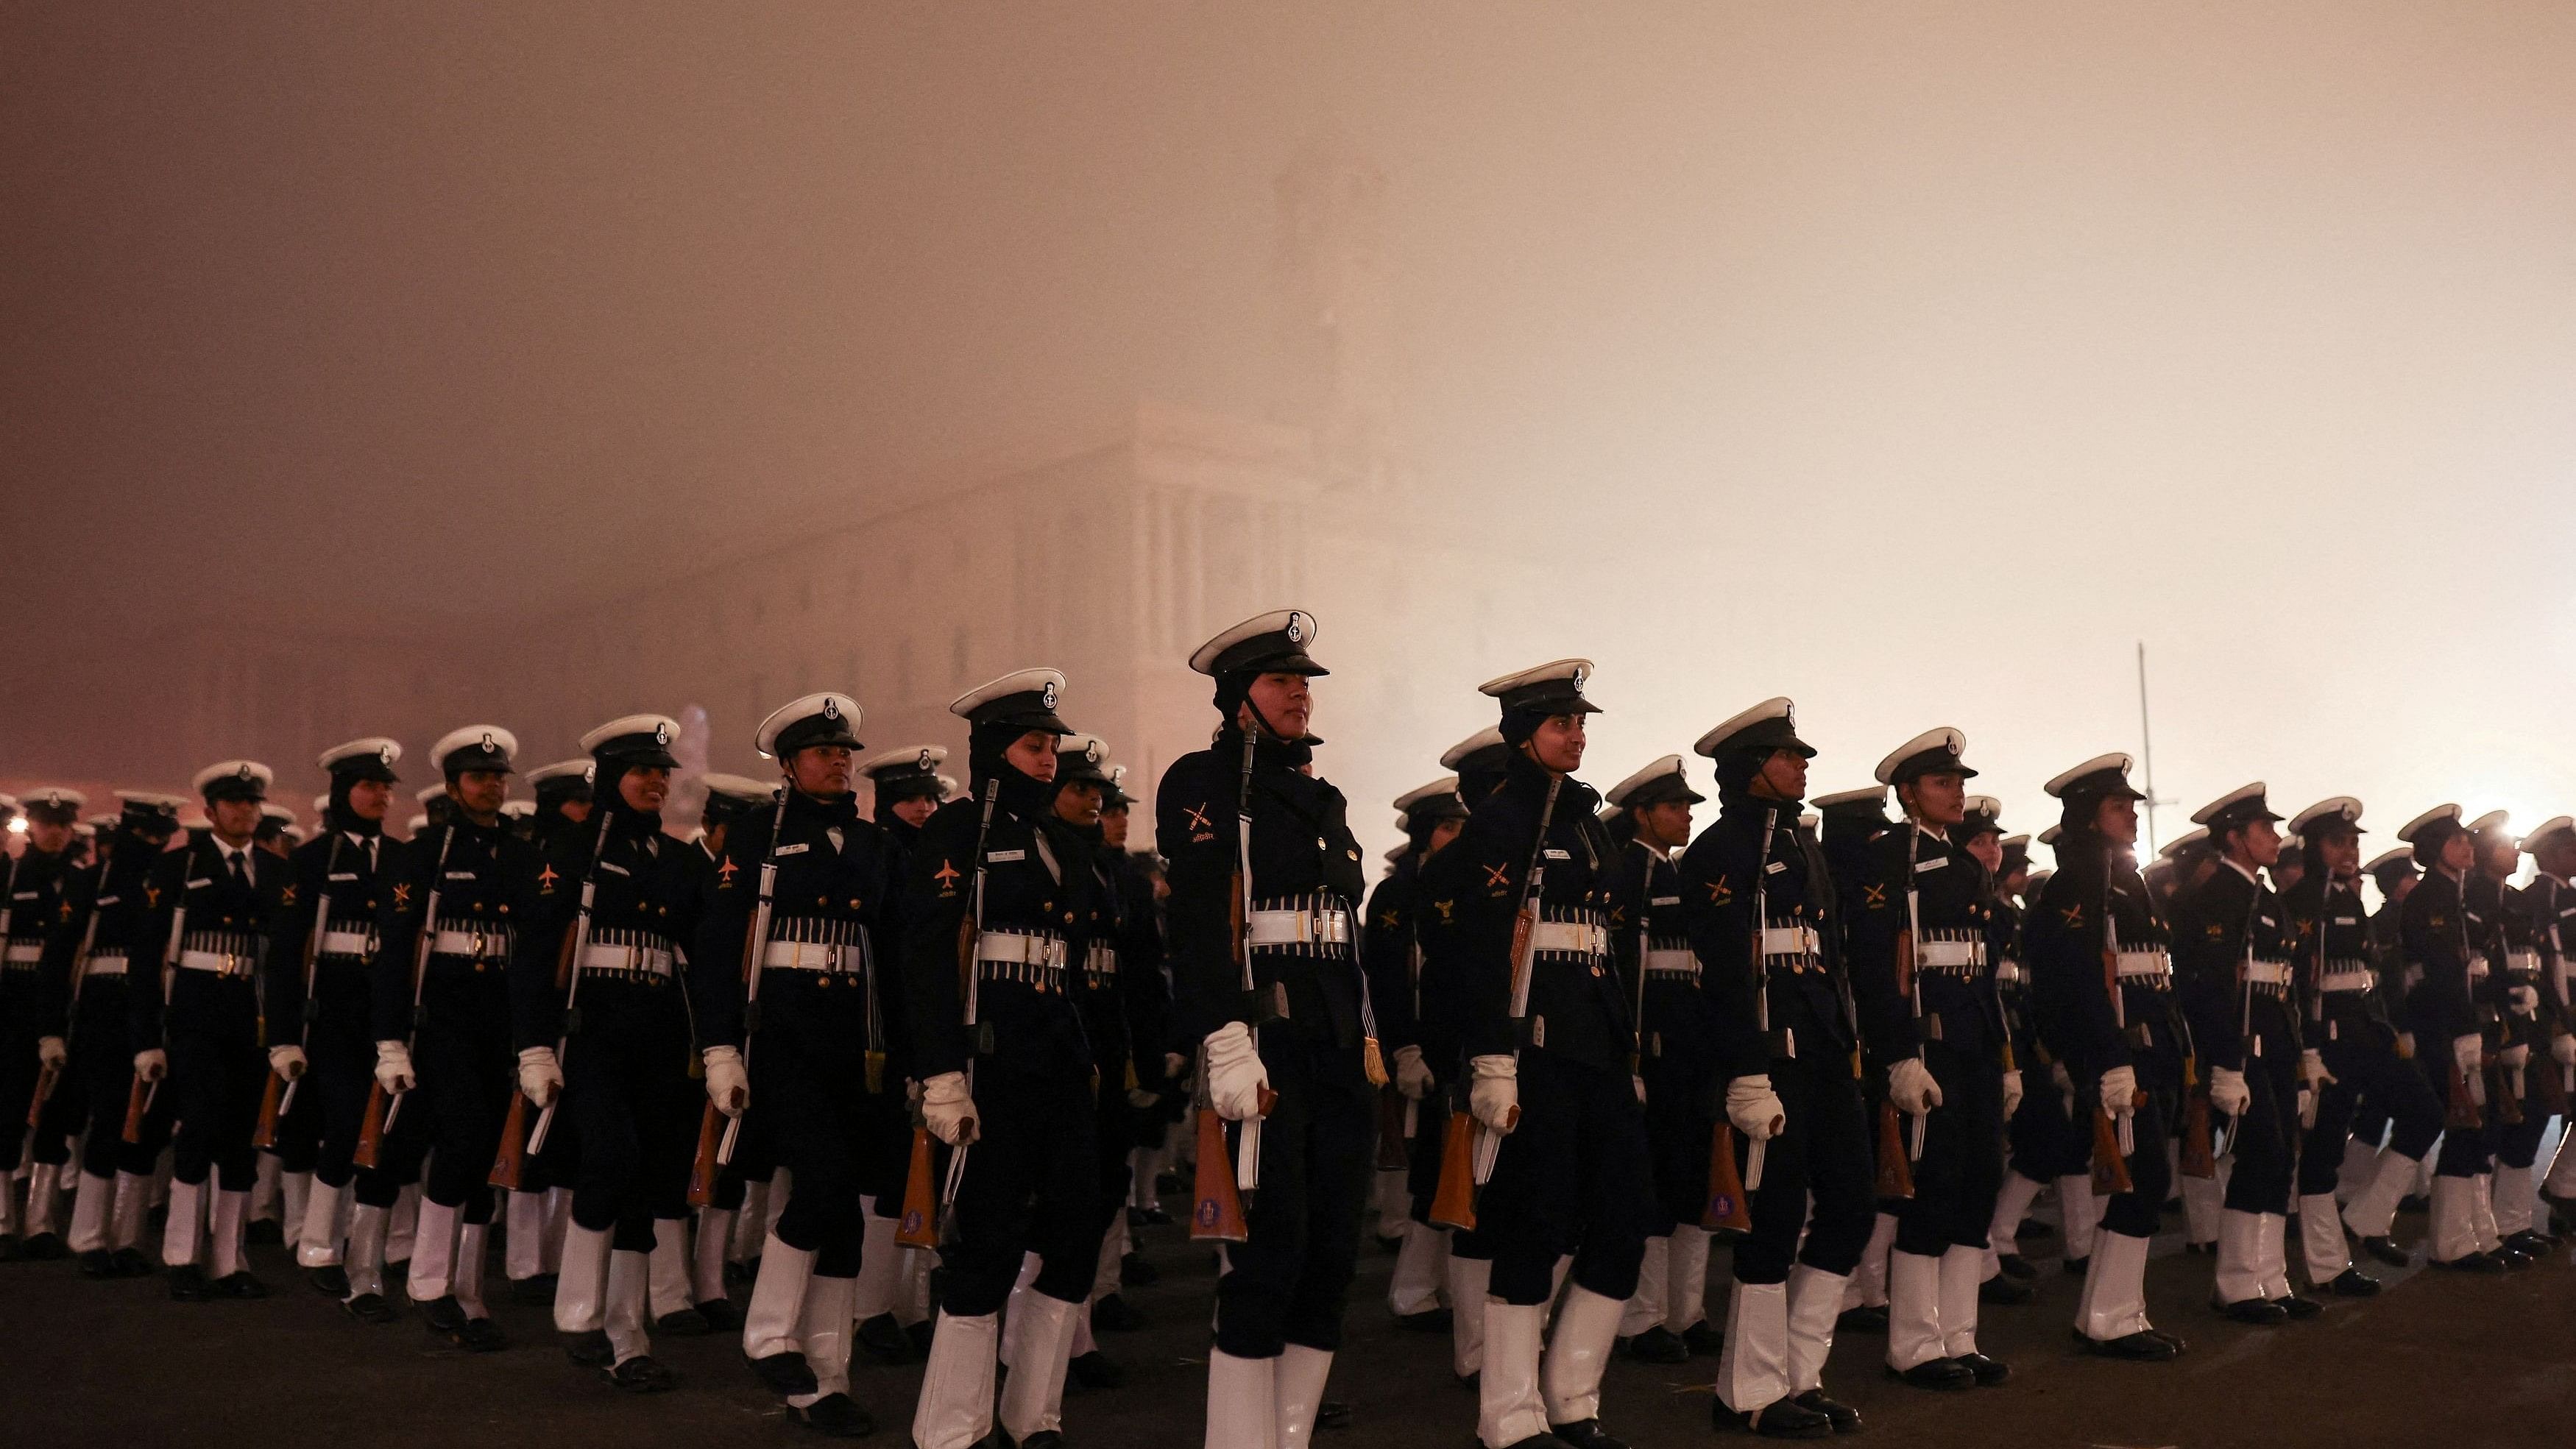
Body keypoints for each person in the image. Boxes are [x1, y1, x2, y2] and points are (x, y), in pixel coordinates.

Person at [1157, 614, 1383, 1449]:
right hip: (1266, 1041)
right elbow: (1197, 921)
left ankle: (1287, 1435)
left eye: (1305, 682)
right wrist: (1221, 1035)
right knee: (1267, 1258)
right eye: (1282, 680)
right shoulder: (1205, 782)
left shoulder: (1322, 798)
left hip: (1334, 1042)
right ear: (1237, 699)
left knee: (1329, 1259)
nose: (1299, 692)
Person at [1435, 659, 1647, 1449]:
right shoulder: (1503, 817)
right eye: (1561, 724)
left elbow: (1605, 942)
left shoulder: (1583, 818)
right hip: (1536, 1050)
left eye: (1580, 723)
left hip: (1594, 1042)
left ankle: (1572, 1401)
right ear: (1523, 733)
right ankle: (1509, 1416)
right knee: (1535, 1225)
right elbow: (1483, 948)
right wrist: (1490, 1056)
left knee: (1624, 1217)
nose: (1577, 735)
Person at [687, 692, 891, 1436]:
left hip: (854, 1038)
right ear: (789, 763)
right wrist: (717, 1048)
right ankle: (768, 1332)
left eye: (844, 753)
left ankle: (824, 1378)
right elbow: (716, 947)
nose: (839, 763)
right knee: (824, 1180)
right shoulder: (758, 832)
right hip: (785, 1034)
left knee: (842, 1212)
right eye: (824, 753)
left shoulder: (870, 842)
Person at [901, 668, 1096, 1449]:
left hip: (1056, 1057)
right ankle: (950, 1429)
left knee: (1074, 1235)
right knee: (985, 1245)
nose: (1049, 758)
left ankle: (1032, 1416)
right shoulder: (958, 831)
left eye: (1052, 744)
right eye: (1032, 744)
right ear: (991, 750)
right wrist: (940, 1073)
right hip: (991, 1062)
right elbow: (924, 955)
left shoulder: (1059, 834)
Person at [1687, 700, 1874, 1437]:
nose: (1802, 766)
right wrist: (1743, 1069)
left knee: (1851, 1209)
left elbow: (1824, 957)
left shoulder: (1799, 847)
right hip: (1768, 1059)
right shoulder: (1718, 853)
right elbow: (1727, 972)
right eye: (1788, 756)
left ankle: (1799, 1374)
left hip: (1822, 1051)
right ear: (1749, 767)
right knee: (1771, 1224)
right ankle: (1748, 1392)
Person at [512, 713, 704, 1390]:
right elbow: (536, 951)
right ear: (610, 779)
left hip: (656, 1031)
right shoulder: (572, 850)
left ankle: (629, 1337)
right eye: (642, 771)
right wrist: (533, 1045)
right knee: (609, 1155)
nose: (656, 782)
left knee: (649, 1181)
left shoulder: (680, 859)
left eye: (662, 772)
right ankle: (578, 1311)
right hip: (591, 1027)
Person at [1849, 730, 2016, 1389]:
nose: (1958, 792)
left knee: (1977, 1186)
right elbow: (1874, 964)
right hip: (1929, 1043)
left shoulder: (1969, 865)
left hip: (1972, 1040)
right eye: (1943, 783)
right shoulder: (1890, 857)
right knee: (1931, 1189)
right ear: (1908, 793)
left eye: (1959, 782)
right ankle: (1914, 1343)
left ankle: (1959, 1335)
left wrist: (2006, 1060)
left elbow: (1984, 972)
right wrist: (1895, 1055)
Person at [372, 725, 537, 1352]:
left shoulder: (523, 857)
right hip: (443, 1016)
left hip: (501, 1017)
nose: (492, 787)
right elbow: (395, 953)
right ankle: (429, 1279)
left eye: (498, 778)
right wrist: (389, 1038)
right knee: (462, 1137)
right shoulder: (426, 853)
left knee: (488, 1151)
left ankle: (470, 1291)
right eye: (479, 778)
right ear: (452, 785)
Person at [2025, 752, 2184, 1361]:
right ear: (2090, 817)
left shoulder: (2124, 876)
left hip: (2148, 1046)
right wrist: (2105, 1055)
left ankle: (2114, 1310)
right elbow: (2075, 978)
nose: (2133, 816)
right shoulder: (2081, 879)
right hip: (2120, 1053)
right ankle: (2109, 1317)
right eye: (2120, 807)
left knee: (2146, 1180)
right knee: (2141, 1181)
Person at [267, 737, 408, 1318]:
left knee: (389, 1141)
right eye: (368, 786)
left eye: (384, 787)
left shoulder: (404, 859)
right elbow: (284, 954)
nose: (379, 796)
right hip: (333, 1011)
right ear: (342, 792)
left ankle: (367, 1266)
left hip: (389, 1015)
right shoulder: (310, 859)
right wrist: (282, 1033)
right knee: (347, 1125)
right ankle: (320, 1244)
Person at [139, 760, 290, 1301]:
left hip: (249, 1013)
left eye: (252, 802)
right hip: (196, 1010)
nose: (245, 810)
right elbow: (147, 954)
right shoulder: (179, 865)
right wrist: (148, 1035)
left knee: (240, 1139)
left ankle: (229, 1259)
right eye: (233, 802)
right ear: (209, 811)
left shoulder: (274, 870)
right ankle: (182, 1255)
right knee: (198, 1127)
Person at [1597, 754, 1719, 1366]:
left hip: (1689, 1055)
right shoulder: (1627, 874)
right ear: (1641, 813)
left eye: (1690, 806)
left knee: (1692, 1184)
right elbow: (1625, 976)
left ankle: (1684, 1311)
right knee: (1655, 1188)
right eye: (1674, 806)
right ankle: (1641, 1318)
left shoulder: (1677, 874)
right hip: (1654, 1056)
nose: (1686, 816)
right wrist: (1632, 1058)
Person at [2282, 796, 2430, 1293]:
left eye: (2353, 842)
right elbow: (2295, 983)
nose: (2348, 850)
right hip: (2329, 1041)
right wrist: (2306, 1051)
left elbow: (2370, 975)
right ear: (2313, 847)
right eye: (2337, 842)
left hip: (2367, 1032)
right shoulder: (2302, 902)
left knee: (2425, 1113)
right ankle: (2328, 1266)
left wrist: (2389, 1025)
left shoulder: (2347, 898)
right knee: (2321, 1154)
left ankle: (2367, 1217)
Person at [2175, 784, 2310, 1323]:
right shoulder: (2216, 898)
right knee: (2260, 1157)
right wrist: (2225, 1064)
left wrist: (2301, 1062)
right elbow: (2209, 989)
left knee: (2280, 1161)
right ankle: (2235, 1283)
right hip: (2242, 1044)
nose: (2276, 838)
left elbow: (2284, 986)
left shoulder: (2264, 896)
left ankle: (2270, 1277)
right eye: (2264, 830)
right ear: (2234, 837)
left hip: (2274, 1040)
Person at [37, 791, 183, 1278]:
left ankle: (127, 1236)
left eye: (162, 835)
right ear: (125, 832)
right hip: (102, 1007)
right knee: (106, 1121)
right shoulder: (91, 880)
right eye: (144, 834)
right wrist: (52, 1029)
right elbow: (58, 957)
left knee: (147, 1128)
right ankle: (88, 1236)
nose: (153, 843)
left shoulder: (169, 878)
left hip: (159, 1007)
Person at [1365, 776, 1470, 1338]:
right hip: (1418, 1047)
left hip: (1454, 1047)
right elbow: (1387, 981)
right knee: (1427, 1172)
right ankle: (1411, 1289)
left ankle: (1436, 1286)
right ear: (1426, 832)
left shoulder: (1463, 885)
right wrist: (1403, 1049)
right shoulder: (1397, 894)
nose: (1459, 835)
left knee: (1450, 1170)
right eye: (1450, 825)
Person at [2396, 804, 2521, 1272]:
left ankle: (2479, 1233)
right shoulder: (2429, 899)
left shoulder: (2457, 896)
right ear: (2433, 851)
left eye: (2468, 839)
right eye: (2456, 841)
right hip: (2444, 1029)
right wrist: (2463, 1031)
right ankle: (2450, 1242)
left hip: (2467, 1024)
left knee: (2480, 1129)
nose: (2468, 846)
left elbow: (2474, 971)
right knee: (2464, 1129)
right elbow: (2441, 976)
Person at [6, 787, 86, 1259]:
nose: (54, 832)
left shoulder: (81, 880)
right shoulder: (11, 875)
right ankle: (1, 1221)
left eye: (62, 825)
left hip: (63, 1007)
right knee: (8, 1111)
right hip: (15, 1003)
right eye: (45, 824)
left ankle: (41, 1222)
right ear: (31, 826)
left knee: (55, 1119)